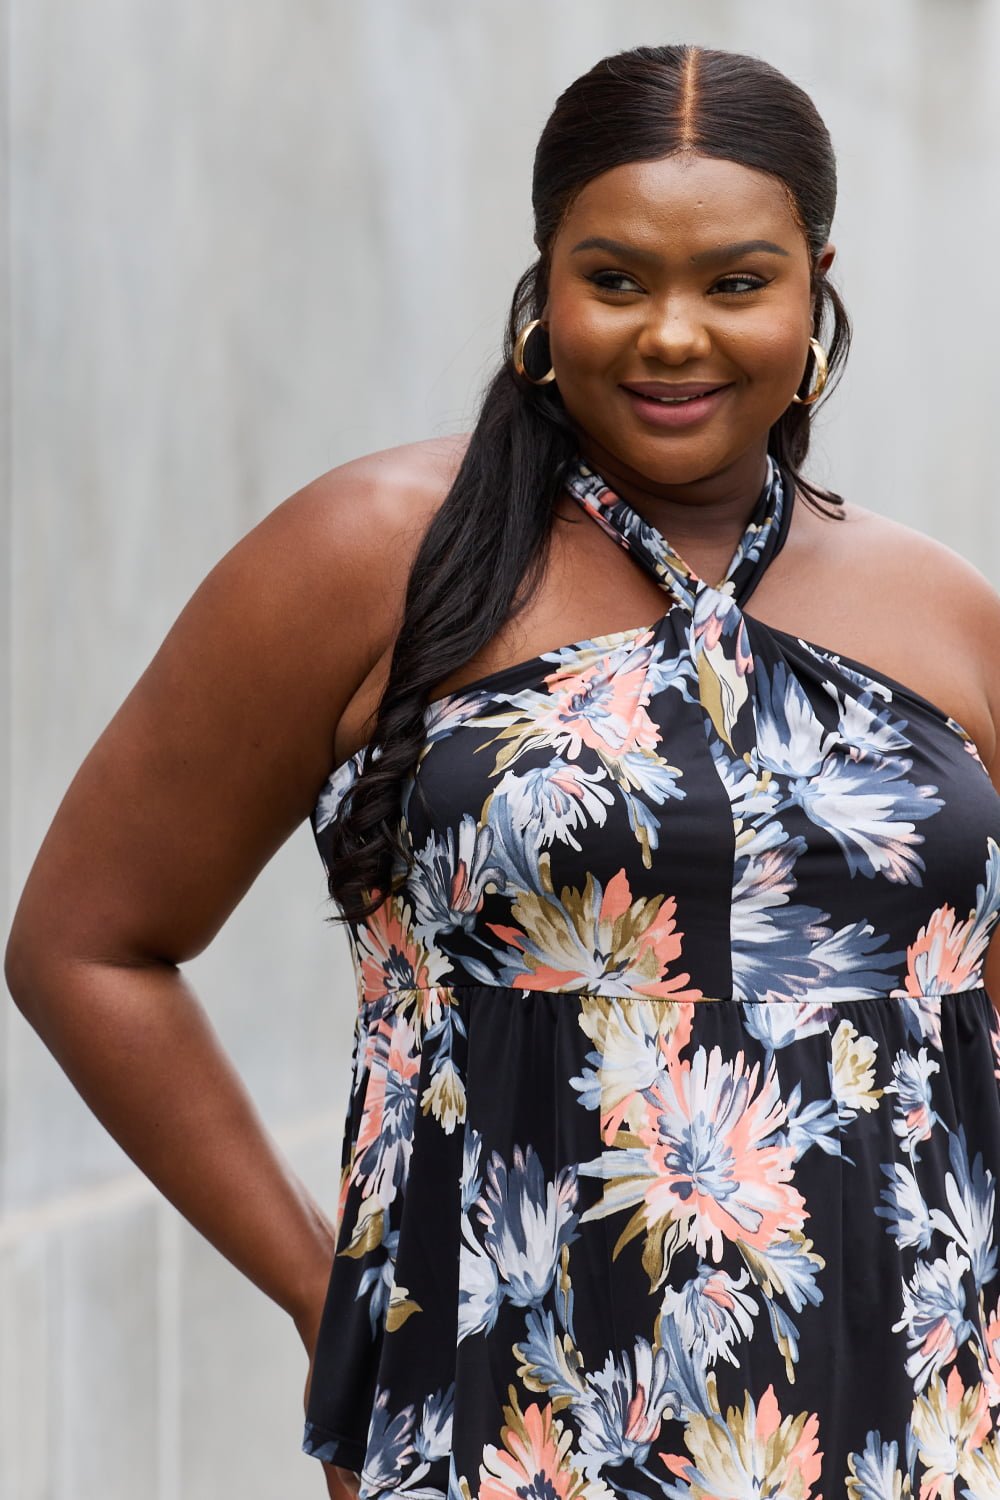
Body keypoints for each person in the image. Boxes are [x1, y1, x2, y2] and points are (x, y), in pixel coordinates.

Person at [7, 38, 1000, 1499]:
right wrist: (324, 1296)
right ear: (545, 284)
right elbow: (86, 944)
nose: (673, 334)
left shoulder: (941, 609)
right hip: (511, 1423)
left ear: (815, 287)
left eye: (735, 281)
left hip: (906, 1424)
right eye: (617, 280)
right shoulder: (371, 557)